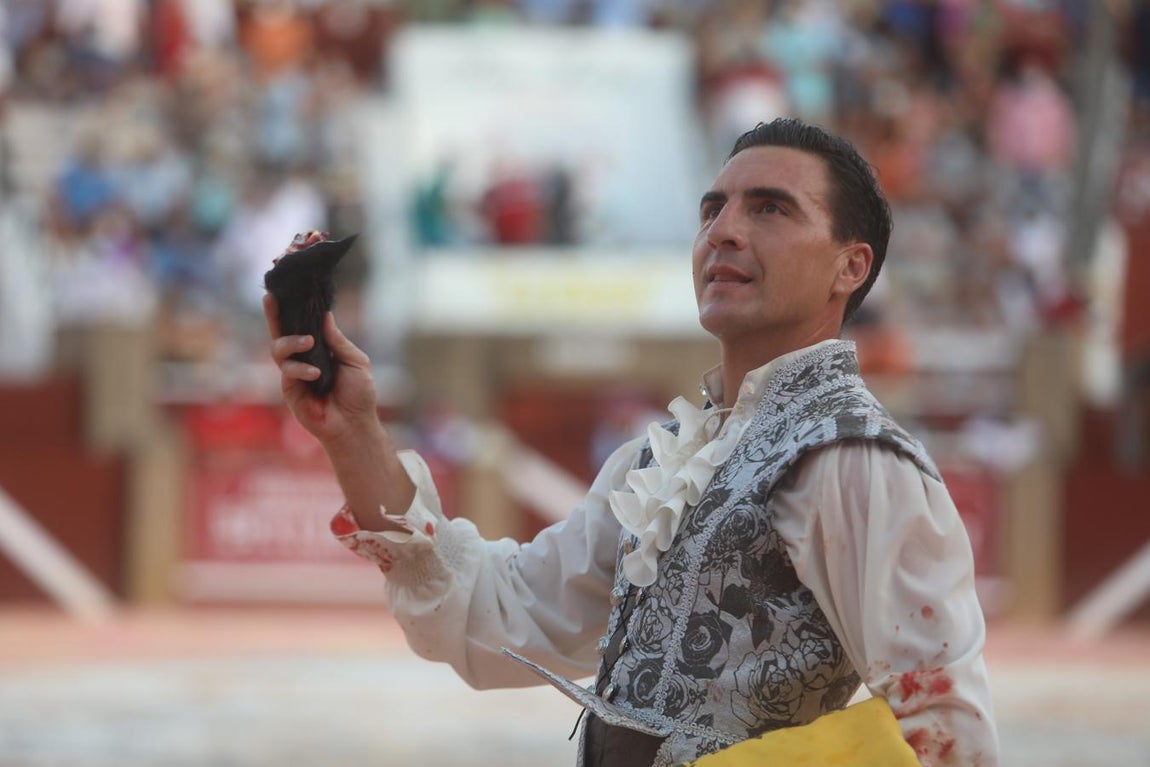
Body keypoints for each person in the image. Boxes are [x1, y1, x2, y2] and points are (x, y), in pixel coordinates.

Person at [265, 117, 999, 767]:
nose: (725, 230)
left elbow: (944, 736)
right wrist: (354, 432)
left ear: (851, 265)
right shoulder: (665, 457)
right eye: (713, 209)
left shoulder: (853, 458)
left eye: (770, 208)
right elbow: (496, 613)